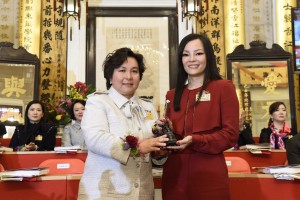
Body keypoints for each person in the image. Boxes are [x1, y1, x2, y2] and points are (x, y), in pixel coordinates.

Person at [77, 47, 168, 199]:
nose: (129, 76)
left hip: (143, 193)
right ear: (110, 76)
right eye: (122, 70)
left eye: (134, 71)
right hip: (105, 193)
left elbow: (151, 152)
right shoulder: (98, 102)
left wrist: (159, 152)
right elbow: (96, 138)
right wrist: (138, 147)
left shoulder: (148, 107)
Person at [158, 33, 239, 200]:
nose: (192, 59)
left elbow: (230, 135)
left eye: (198, 53)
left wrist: (195, 140)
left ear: (208, 56)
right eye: (186, 54)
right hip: (175, 174)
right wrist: (165, 133)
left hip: (209, 173)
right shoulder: (172, 95)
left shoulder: (223, 88)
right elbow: (167, 142)